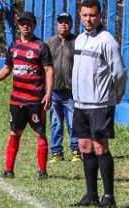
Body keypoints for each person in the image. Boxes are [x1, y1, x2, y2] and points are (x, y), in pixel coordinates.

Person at [0, 11, 54, 180]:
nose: (25, 26)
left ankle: (42, 172)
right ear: (19, 25)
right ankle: (9, 170)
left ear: (34, 25)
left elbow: (49, 70)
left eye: (29, 23)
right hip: (16, 99)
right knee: (15, 133)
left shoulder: (41, 47)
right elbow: (7, 69)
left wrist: (48, 93)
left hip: (35, 99)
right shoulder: (13, 46)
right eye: (22, 23)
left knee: (39, 134)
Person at [72, 0, 127, 208]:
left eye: (93, 15)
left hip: (99, 103)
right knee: (85, 146)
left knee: (100, 146)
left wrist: (118, 94)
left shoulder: (107, 40)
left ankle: (109, 196)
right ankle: (91, 194)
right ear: (80, 15)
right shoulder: (79, 39)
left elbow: (119, 72)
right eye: (85, 15)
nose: (88, 19)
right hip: (80, 103)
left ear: (100, 16)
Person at [46, 12, 81, 163]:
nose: (64, 24)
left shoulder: (77, 42)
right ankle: (56, 153)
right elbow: (45, 67)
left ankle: (76, 151)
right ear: (57, 24)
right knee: (56, 123)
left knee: (73, 122)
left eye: (67, 22)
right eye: (61, 22)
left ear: (71, 24)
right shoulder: (50, 43)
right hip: (54, 92)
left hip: (71, 92)